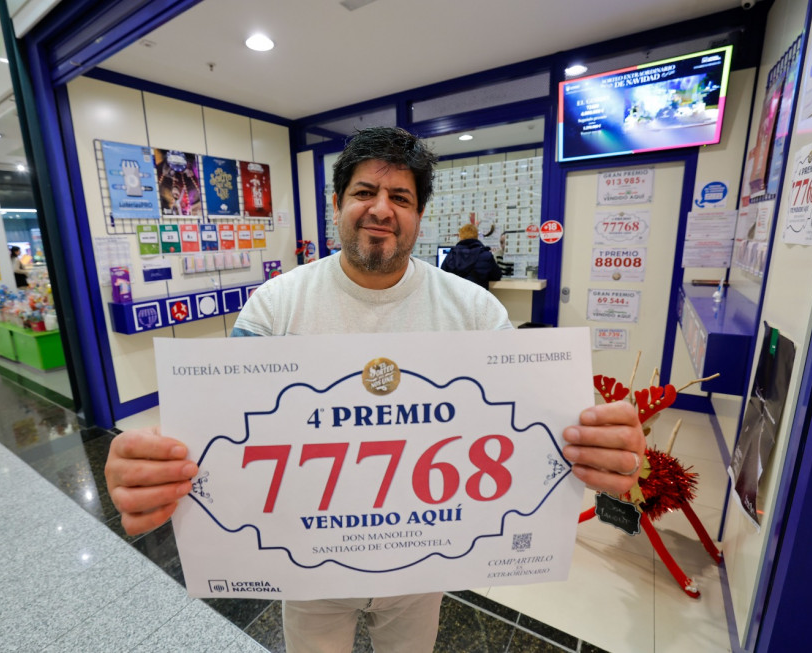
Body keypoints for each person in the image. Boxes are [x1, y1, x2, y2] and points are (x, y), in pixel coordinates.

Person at [104, 126, 646, 653]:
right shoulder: (274, 307)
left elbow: (532, 421)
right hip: (308, 567)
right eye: (364, 191)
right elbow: (223, 432)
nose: (381, 208)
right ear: (337, 203)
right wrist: (156, 463)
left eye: (400, 197)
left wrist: (596, 440)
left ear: (419, 214)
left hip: (422, 568)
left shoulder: (475, 311)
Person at [440, 222, 502, 289]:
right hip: (478, 296)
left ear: (460, 236)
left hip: (456, 296)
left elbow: (442, 276)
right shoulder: (486, 255)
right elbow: (496, 276)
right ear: (477, 237)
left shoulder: (452, 255)